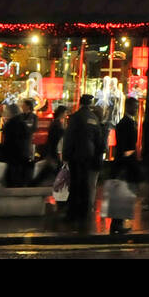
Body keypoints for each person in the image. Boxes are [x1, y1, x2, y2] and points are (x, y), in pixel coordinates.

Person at [62, 95, 103, 223]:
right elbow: (99, 141)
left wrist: (66, 156)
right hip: (89, 155)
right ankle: (84, 211)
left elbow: (68, 138)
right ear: (90, 104)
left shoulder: (75, 117)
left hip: (75, 155)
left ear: (80, 103)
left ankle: (73, 213)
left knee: (75, 183)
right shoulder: (94, 118)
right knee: (85, 183)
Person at [0, 103, 28, 187]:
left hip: (12, 155)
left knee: (11, 178)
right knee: (18, 179)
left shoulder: (10, 124)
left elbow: (8, 141)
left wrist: (1, 152)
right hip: (22, 155)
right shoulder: (23, 123)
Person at [114, 97, 140, 186]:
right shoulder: (126, 123)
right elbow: (125, 146)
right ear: (128, 107)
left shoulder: (128, 122)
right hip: (126, 162)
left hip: (125, 161)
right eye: (135, 107)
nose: (136, 110)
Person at [45, 105, 68, 173]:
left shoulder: (57, 122)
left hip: (54, 149)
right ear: (61, 113)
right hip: (56, 149)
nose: (66, 115)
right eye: (65, 112)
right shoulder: (57, 124)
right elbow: (59, 136)